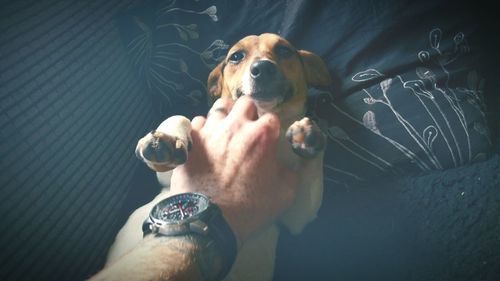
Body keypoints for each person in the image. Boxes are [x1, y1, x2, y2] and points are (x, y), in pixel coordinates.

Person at [89, 96, 298, 281]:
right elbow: (166, 177)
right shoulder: (198, 131)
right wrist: (176, 128)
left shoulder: (293, 146)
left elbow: (300, 218)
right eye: (237, 57)